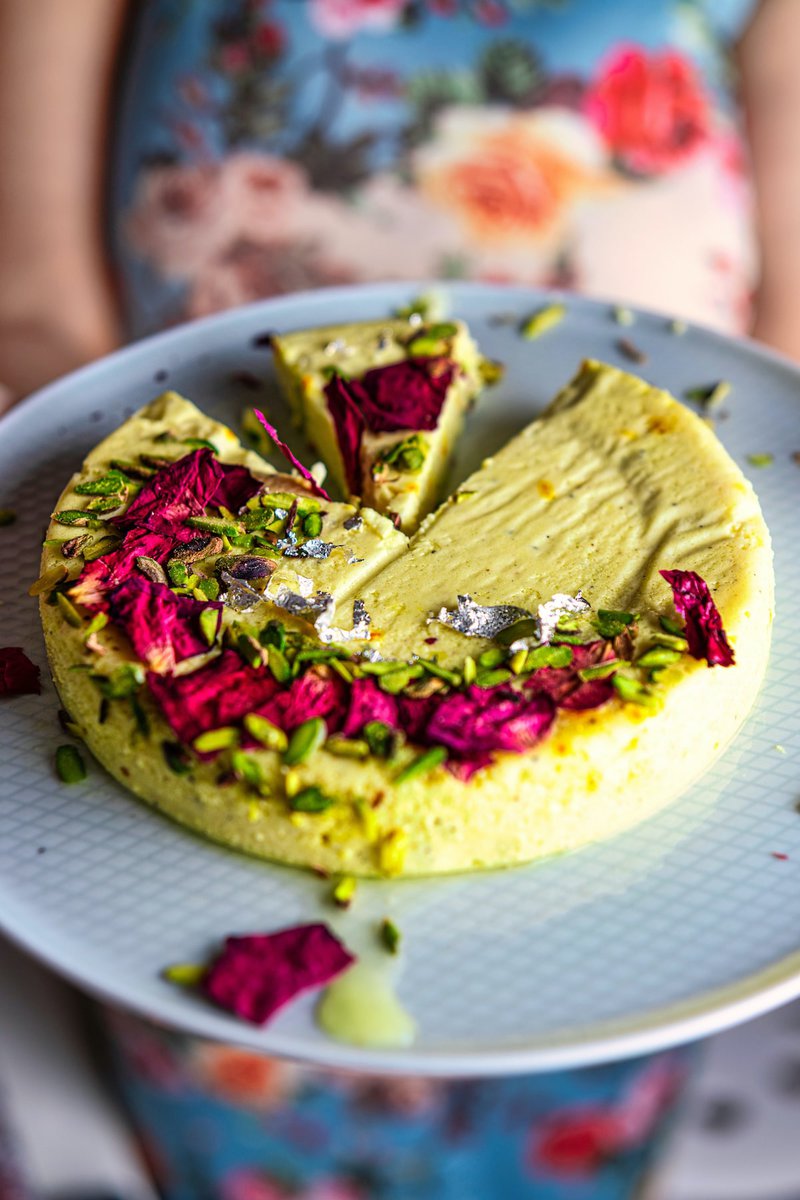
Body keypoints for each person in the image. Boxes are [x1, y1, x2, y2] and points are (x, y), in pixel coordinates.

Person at [0, 2, 795, 1196]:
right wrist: (92, 433)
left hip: (654, 457)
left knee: (569, 1098)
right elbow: (29, 294)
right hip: (215, 456)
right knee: (250, 1107)